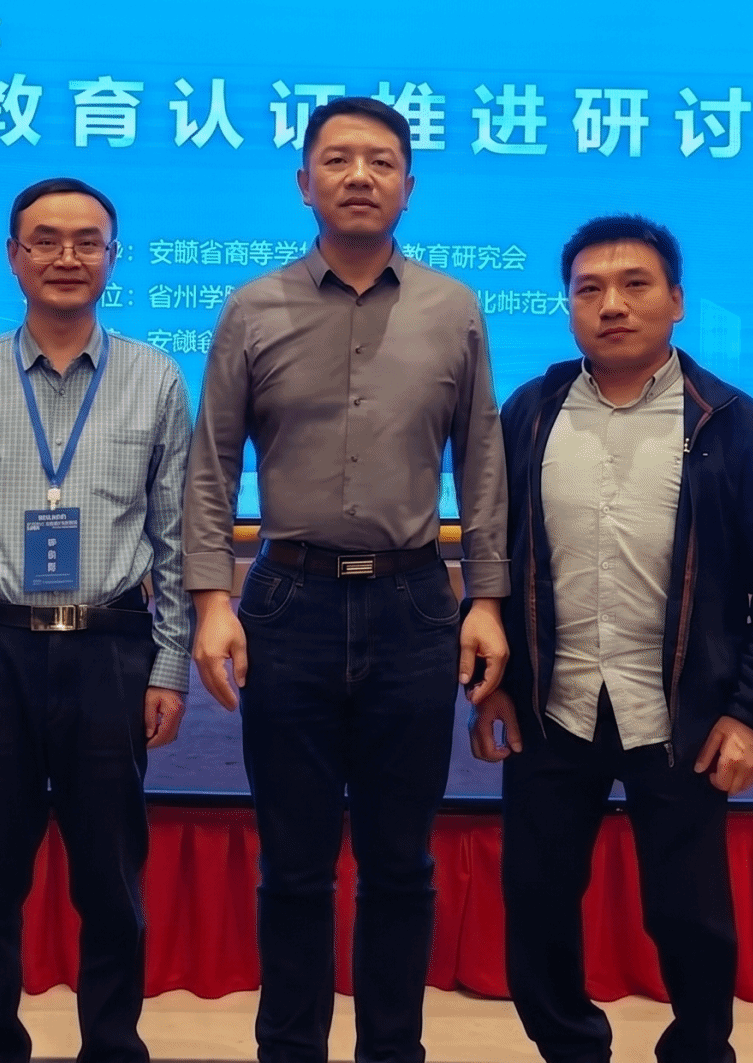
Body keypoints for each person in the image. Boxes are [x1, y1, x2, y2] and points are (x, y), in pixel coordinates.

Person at [184, 96, 510, 1063]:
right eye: (336, 160)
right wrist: (210, 599)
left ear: (409, 185)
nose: (359, 176)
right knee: (293, 868)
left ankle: (391, 1053)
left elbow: (481, 462)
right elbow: (212, 462)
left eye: (379, 161)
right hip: (289, 603)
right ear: (304, 183)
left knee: (401, 866)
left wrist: (487, 598)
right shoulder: (253, 307)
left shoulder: (454, 308)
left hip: (415, 605)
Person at [469, 214, 753, 1063]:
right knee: (538, 908)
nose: (612, 305)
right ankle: (571, 1049)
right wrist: (496, 687)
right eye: (588, 289)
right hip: (552, 709)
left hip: (683, 716)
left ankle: (698, 1051)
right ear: (568, 307)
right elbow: (496, 558)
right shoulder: (529, 413)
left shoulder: (732, 422)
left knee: (691, 919)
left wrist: (752, 715)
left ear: (677, 301)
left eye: (635, 285)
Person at [0, 177, 192, 1063]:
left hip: (111, 649)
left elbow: (176, 537)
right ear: (13, 256)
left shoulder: (156, 377)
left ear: (113, 256)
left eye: (87, 241)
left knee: (111, 879)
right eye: (46, 239)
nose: (67, 256)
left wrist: (170, 664)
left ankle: (112, 1044)